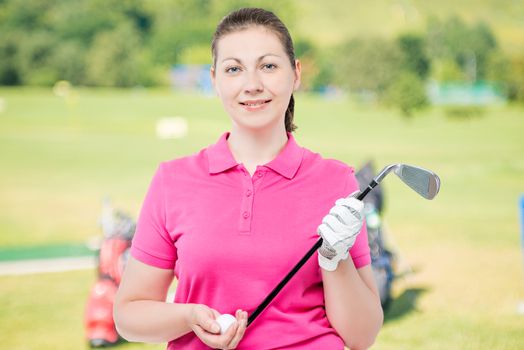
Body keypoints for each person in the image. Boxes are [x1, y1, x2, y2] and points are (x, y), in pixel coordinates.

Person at [114, 7, 383, 350]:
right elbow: (129, 315)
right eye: (234, 69)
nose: (252, 85)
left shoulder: (337, 182)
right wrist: (188, 317)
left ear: (295, 74)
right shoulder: (172, 180)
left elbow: (362, 336)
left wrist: (335, 259)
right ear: (214, 79)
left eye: (268, 66)